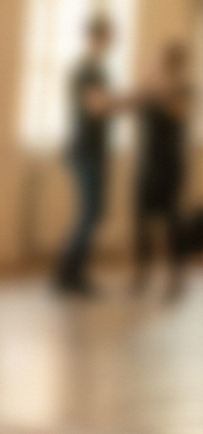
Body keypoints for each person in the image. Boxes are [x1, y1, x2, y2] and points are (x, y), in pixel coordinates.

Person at [53, 16, 122, 297]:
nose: (109, 44)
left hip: (96, 151)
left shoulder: (100, 72)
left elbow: (106, 106)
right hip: (84, 150)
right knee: (90, 213)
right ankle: (68, 275)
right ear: (95, 38)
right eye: (106, 38)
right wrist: (126, 100)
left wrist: (115, 103)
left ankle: (73, 273)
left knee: (95, 213)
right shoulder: (83, 71)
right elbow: (96, 107)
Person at [132, 39, 194, 297]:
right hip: (147, 164)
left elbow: (179, 112)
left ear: (177, 65)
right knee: (142, 222)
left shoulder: (185, 90)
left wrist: (162, 90)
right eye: (160, 60)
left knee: (172, 222)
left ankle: (175, 277)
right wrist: (148, 86)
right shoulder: (149, 88)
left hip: (171, 166)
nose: (163, 65)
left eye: (167, 61)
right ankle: (141, 275)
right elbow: (135, 103)